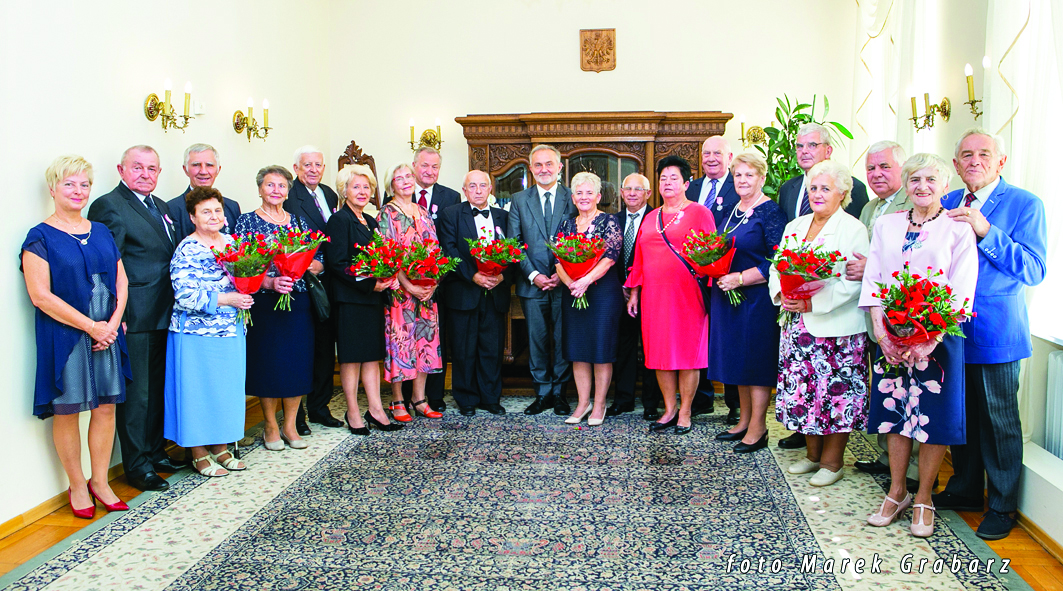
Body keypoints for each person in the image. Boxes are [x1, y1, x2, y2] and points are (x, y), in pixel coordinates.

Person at [933, 128, 1048, 540]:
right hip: (949, 330)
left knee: (999, 421)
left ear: (1001, 162)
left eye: (984, 153)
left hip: (996, 330)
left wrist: (986, 230)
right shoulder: (945, 202)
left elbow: (1034, 269)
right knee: (960, 415)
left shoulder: (1025, 204)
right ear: (956, 164)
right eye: (966, 154)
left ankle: (1002, 506)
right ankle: (964, 489)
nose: (974, 160)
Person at [860, 153, 978, 537]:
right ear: (905, 185)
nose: (922, 186)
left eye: (930, 179)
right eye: (914, 180)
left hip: (938, 342)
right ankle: (896, 492)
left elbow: (962, 289)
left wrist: (931, 339)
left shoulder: (957, 228)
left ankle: (924, 496)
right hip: (892, 338)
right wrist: (882, 333)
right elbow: (874, 278)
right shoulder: (887, 224)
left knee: (933, 420)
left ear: (945, 185)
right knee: (894, 412)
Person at [22, 155, 131, 518]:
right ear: (53, 188)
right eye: (69, 183)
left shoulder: (99, 230)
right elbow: (41, 296)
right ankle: (78, 485)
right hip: (66, 336)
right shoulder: (39, 236)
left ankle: (100, 481)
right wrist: (91, 326)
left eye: (84, 184)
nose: (78, 191)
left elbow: (121, 280)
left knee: (106, 408)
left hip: (108, 335)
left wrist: (112, 323)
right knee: (68, 412)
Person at [88, 145, 182, 492]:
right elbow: (106, 262)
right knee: (137, 395)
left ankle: (155, 452)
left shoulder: (160, 207)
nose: (146, 174)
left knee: (157, 389)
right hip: (135, 315)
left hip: (164, 312)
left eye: (152, 168)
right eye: (138, 167)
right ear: (121, 169)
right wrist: (119, 313)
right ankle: (137, 466)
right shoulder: (109, 205)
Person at [770, 160, 870, 484]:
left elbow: (855, 282)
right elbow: (777, 267)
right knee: (805, 393)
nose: (817, 193)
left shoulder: (854, 229)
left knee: (835, 395)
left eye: (825, 188)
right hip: (798, 326)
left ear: (842, 193)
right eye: (813, 187)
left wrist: (814, 301)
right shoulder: (795, 226)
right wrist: (781, 295)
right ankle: (812, 457)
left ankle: (832, 463)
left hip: (838, 328)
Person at [164, 187, 254, 476]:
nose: (213, 216)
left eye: (217, 210)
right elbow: (185, 296)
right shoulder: (187, 249)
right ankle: (199, 453)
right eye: (205, 211)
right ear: (192, 217)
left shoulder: (231, 242)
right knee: (198, 394)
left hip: (230, 331)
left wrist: (249, 291)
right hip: (195, 335)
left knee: (224, 392)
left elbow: (245, 278)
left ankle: (221, 447)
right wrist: (228, 299)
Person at [625, 155, 717, 435]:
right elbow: (639, 259)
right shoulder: (651, 217)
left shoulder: (700, 213)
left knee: (687, 355)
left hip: (688, 295)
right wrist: (634, 293)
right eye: (663, 178)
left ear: (686, 183)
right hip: (654, 297)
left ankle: (686, 411)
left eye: (673, 178)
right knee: (660, 355)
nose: (667, 183)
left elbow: (711, 254)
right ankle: (669, 409)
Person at [846, 141, 919, 482]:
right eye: (871, 168)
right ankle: (886, 457)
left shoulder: (913, 203)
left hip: (908, 317)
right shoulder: (870, 207)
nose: (876, 174)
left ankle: (913, 470)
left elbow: (916, 259)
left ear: (902, 172)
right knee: (885, 389)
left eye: (884, 167)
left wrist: (873, 270)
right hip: (875, 314)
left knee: (911, 393)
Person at [236, 165, 324, 451]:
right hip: (265, 304)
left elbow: (319, 257)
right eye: (270, 185)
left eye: (282, 186)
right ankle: (271, 427)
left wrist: (310, 264)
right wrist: (270, 283)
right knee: (268, 365)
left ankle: (290, 425)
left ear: (288, 190)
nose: (276, 190)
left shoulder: (297, 221)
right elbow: (240, 264)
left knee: (296, 363)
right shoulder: (246, 222)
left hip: (297, 301)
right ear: (260, 188)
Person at [709, 152, 786, 453]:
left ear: (762, 178)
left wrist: (740, 279)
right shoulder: (729, 210)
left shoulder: (771, 213)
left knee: (755, 363)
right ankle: (743, 420)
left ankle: (758, 428)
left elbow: (779, 260)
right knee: (738, 361)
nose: (742, 180)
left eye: (749, 175)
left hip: (756, 299)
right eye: (738, 175)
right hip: (728, 297)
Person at [325, 164, 402, 434]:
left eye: (366, 187)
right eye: (356, 186)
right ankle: (353, 412)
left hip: (371, 300)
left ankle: (376, 409)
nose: (362, 191)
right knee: (351, 358)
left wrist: (387, 277)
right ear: (344, 190)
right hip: (350, 301)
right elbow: (338, 263)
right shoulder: (339, 220)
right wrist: (372, 283)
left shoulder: (369, 221)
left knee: (372, 356)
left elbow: (381, 258)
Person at [508, 145, 576, 416]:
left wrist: (562, 275)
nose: (544, 169)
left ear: (560, 167)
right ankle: (543, 393)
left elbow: (580, 240)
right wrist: (534, 275)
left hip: (565, 283)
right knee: (536, 340)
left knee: (562, 340)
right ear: (531, 168)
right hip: (531, 284)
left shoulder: (573, 197)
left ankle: (560, 393)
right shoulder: (519, 199)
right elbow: (514, 243)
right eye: (538, 165)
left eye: (549, 164)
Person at [436, 170, 511, 416]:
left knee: (492, 348)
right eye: (472, 186)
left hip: (495, 293)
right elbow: (449, 251)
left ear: (491, 189)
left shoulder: (505, 217)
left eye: (482, 185)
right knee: (463, 349)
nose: (478, 190)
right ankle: (466, 398)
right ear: (464, 190)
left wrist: (501, 276)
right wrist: (473, 275)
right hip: (463, 292)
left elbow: (515, 251)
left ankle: (490, 398)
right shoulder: (451, 215)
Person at [377, 163, 445, 422]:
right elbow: (389, 257)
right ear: (391, 184)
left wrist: (432, 284)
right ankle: (397, 400)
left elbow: (435, 252)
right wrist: (411, 286)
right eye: (398, 178)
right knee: (401, 345)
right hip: (401, 294)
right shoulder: (387, 214)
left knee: (425, 345)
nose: (405, 181)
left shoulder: (424, 212)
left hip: (426, 292)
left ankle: (419, 399)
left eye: (408, 176)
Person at [555, 172, 624, 426]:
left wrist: (585, 280)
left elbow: (610, 256)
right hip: (573, 293)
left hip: (602, 293)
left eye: (589, 193)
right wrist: (570, 282)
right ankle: (582, 403)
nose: (584, 197)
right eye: (579, 193)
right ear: (573, 198)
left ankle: (599, 404)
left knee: (601, 350)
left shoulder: (610, 222)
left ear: (598, 196)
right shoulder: (566, 225)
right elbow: (558, 260)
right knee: (578, 350)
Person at [285, 146, 342, 432]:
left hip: (327, 282)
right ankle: (296, 417)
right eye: (307, 165)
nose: (313, 169)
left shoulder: (329, 194)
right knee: (302, 349)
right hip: (300, 282)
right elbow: (288, 238)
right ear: (296, 168)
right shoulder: (289, 196)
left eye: (318, 165)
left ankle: (320, 407)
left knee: (323, 348)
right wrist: (313, 262)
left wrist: (325, 263)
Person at [686, 136, 741, 423]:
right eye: (706, 153)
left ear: (729, 156)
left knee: (726, 336)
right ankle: (702, 398)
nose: (710, 158)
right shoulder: (693, 187)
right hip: (692, 276)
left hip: (726, 275)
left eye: (717, 153)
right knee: (697, 336)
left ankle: (734, 404)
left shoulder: (739, 185)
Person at [403, 147, 461, 413]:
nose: (429, 171)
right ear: (414, 166)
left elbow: (451, 241)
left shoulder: (452, 197)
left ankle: (433, 396)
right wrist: (410, 282)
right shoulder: (400, 194)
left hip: (441, 283)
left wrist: (436, 279)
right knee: (408, 339)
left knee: (437, 340)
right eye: (424, 166)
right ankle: (406, 395)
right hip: (406, 286)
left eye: (435, 167)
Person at [610, 173, 662, 421]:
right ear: (621, 192)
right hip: (618, 294)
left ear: (648, 194)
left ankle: (651, 402)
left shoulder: (658, 219)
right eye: (627, 188)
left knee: (652, 348)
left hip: (651, 293)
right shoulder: (613, 220)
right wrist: (621, 285)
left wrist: (637, 287)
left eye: (638, 189)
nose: (632, 193)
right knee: (624, 347)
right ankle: (623, 399)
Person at [166, 144, 241, 239]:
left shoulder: (232, 207)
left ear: (218, 170)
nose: (203, 171)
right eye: (196, 165)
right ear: (185, 170)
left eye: (209, 165)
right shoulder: (171, 209)